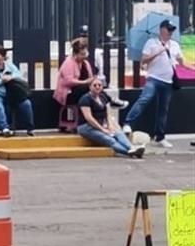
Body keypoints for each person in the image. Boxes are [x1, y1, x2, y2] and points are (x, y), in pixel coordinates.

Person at [123, 19, 189, 148]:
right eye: (168, 29)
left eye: (171, 30)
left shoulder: (174, 44)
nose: (170, 32)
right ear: (161, 29)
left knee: (163, 109)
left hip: (168, 81)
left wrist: (184, 63)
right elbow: (144, 60)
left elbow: (180, 61)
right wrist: (158, 52)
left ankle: (160, 136)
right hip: (153, 78)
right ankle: (128, 123)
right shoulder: (151, 43)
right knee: (145, 98)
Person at [79, 78, 144, 158]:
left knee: (118, 133)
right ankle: (129, 152)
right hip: (86, 126)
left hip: (100, 124)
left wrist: (110, 125)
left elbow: (107, 113)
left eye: (99, 85)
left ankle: (131, 148)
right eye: (95, 85)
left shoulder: (103, 97)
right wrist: (102, 129)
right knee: (109, 139)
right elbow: (89, 118)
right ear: (90, 87)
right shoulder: (85, 99)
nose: (97, 87)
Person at [0, 45, 35, 137]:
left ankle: (30, 128)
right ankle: (4, 128)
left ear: (3, 57)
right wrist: (0, 81)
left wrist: (10, 77)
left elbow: (19, 76)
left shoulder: (9, 65)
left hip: (11, 94)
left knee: (26, 104)